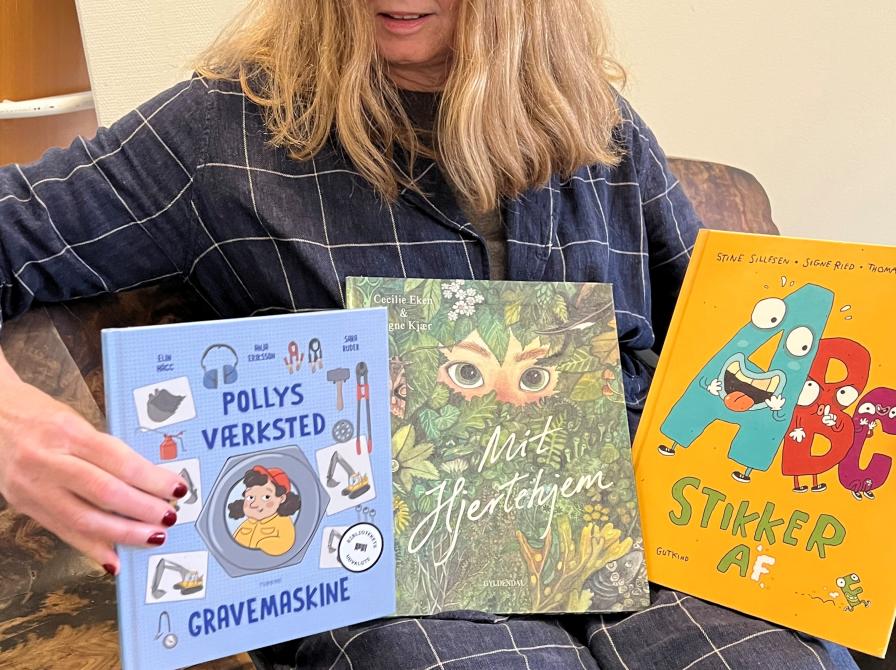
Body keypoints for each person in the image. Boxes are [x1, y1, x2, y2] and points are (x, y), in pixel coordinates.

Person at [0, 1, 859, 668]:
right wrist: (10, 425)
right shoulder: (220, 132)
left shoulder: (599, 123)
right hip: (395, 576)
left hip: (639, 544)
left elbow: (720, 340)